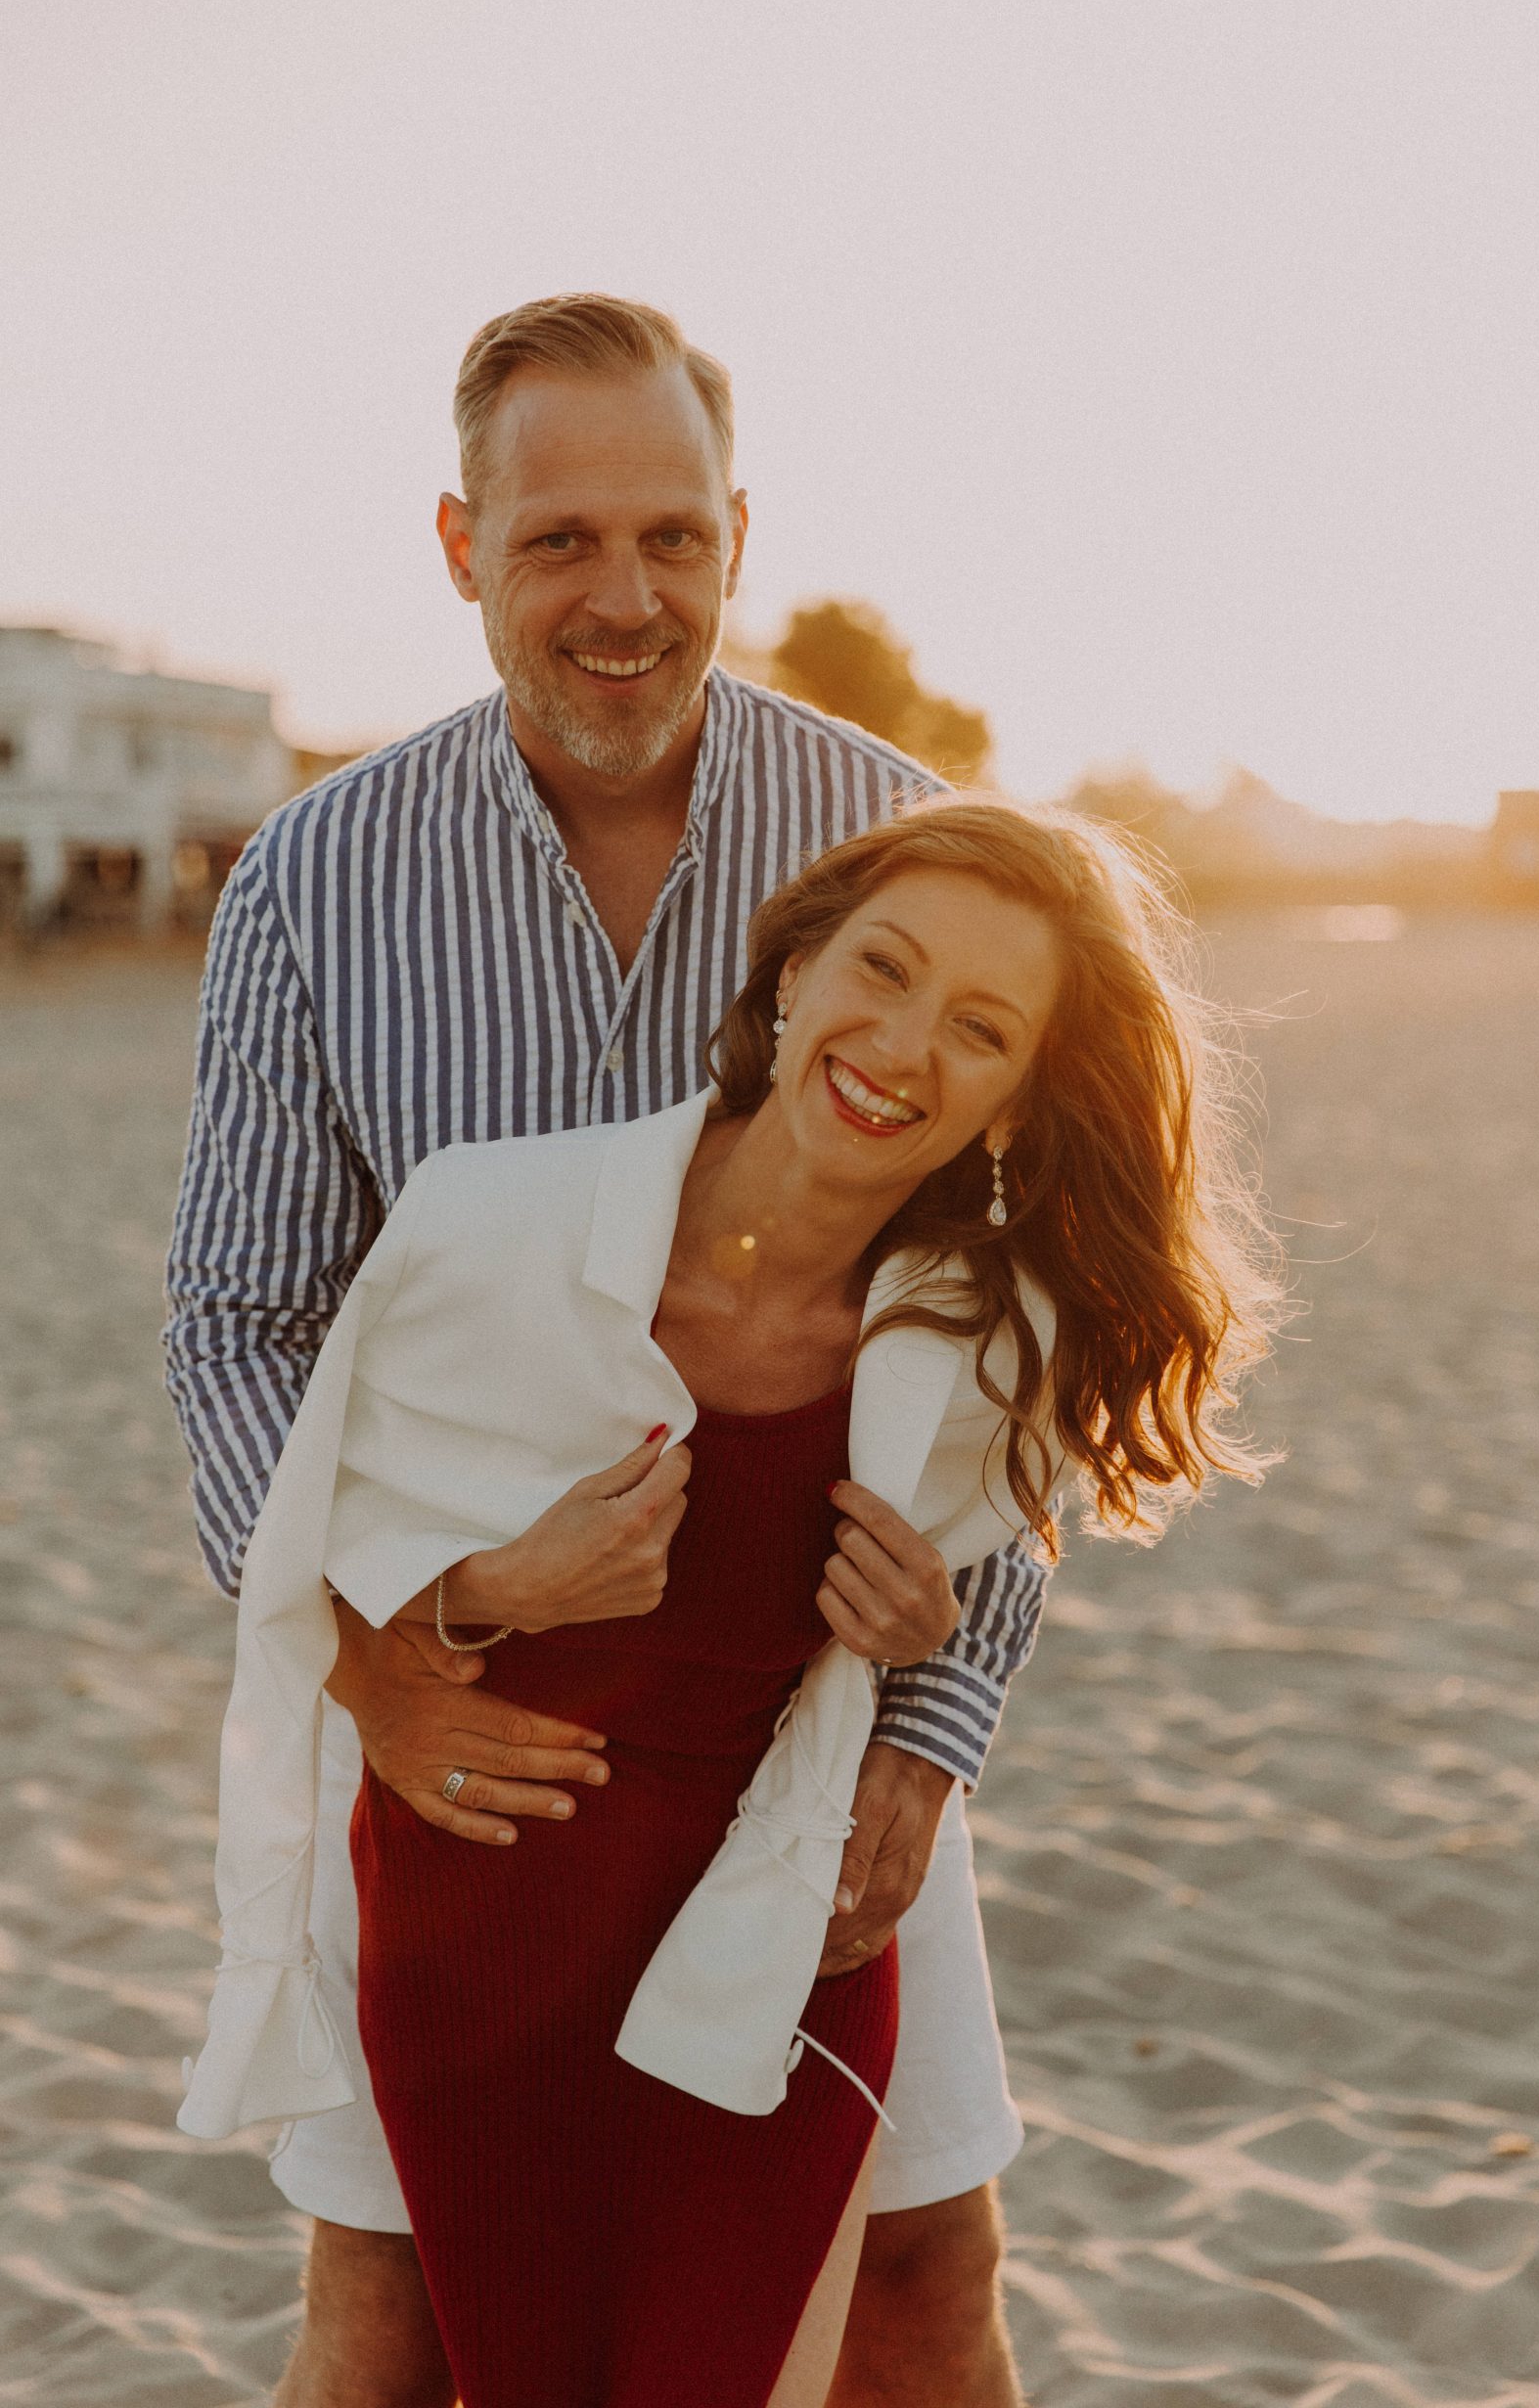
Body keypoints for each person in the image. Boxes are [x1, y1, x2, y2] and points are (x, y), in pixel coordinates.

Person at [164, 295, 1062, 2408]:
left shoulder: (893, 835)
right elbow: (235, 1314)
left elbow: (1011, 1326)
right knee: (394, 2320)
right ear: (459, 543)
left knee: (925, 2278)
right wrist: (379, 1648)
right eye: (558, 539)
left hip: (812, 1704)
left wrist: (934, 1723)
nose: (621, 597)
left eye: (669, 535)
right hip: (459, 1718)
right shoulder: (314, 876)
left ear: (737, 534)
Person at [180, 795, 1281, 2408]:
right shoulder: (487, 1224)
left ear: (1015, 1101)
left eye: (981, 1030)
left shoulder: (996, 1344)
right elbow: (306, 1534)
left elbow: (995, 1567)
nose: (904, 1046)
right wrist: (483, 1590)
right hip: (482, 1931)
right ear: (788, 975)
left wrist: (926, 1653)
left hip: (779, 1942)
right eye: (881, 971)